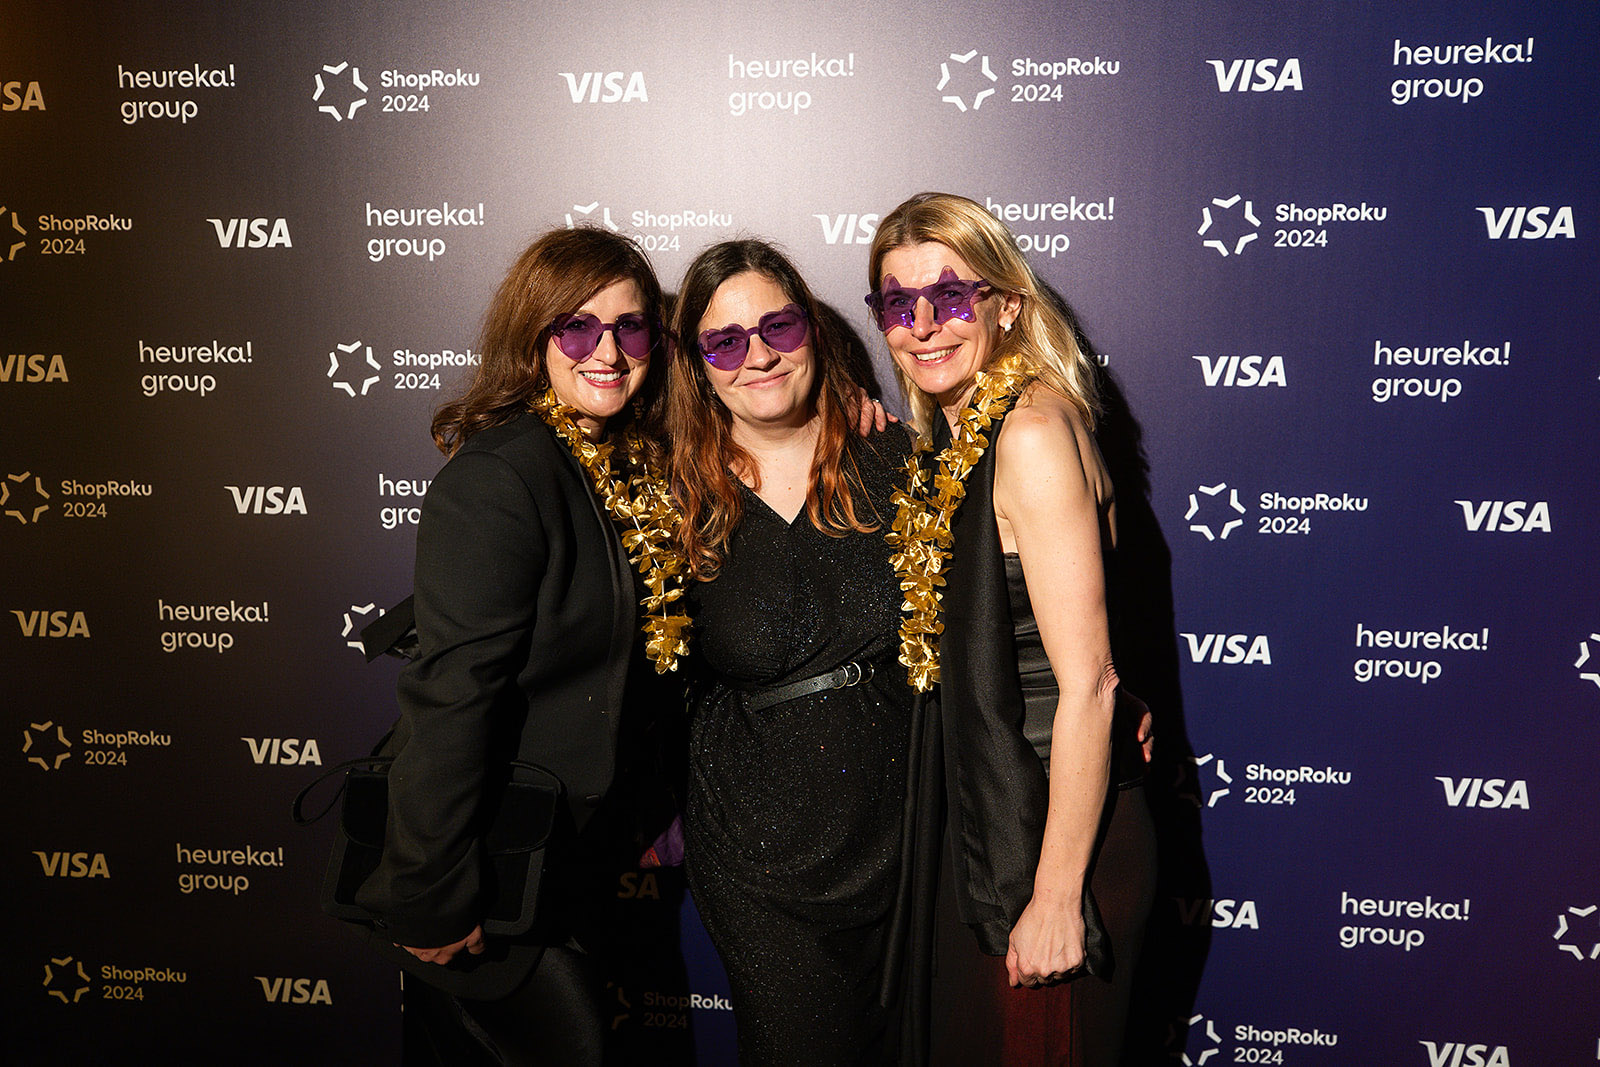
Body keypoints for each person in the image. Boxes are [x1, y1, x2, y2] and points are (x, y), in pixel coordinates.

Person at [353, 226, 688, 1066]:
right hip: (490, 877)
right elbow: (452, 694)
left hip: (572, 866)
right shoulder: (502, 475)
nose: (606, 351)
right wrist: (431, 890)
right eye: (577, 327)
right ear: (534, 337)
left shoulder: (622, 464)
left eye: (630, 326)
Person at [867, 192, 1157, 1067]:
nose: (923, 325)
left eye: (951, 296)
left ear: (1007, 306)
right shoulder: (967, 436)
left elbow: (1090, 684)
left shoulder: (1028, 432)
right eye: (898, 303)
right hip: (1002, 823)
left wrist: (1057, 896)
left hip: (1050, 839)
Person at [667, 239, 916, 1065]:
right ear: (697, 364)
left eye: (778, 326)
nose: (759, 356)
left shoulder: (895, 460)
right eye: (725, 342)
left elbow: (993, 613)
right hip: (758, 858)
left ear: (812, 327)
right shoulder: (675, 501)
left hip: (908, 837)